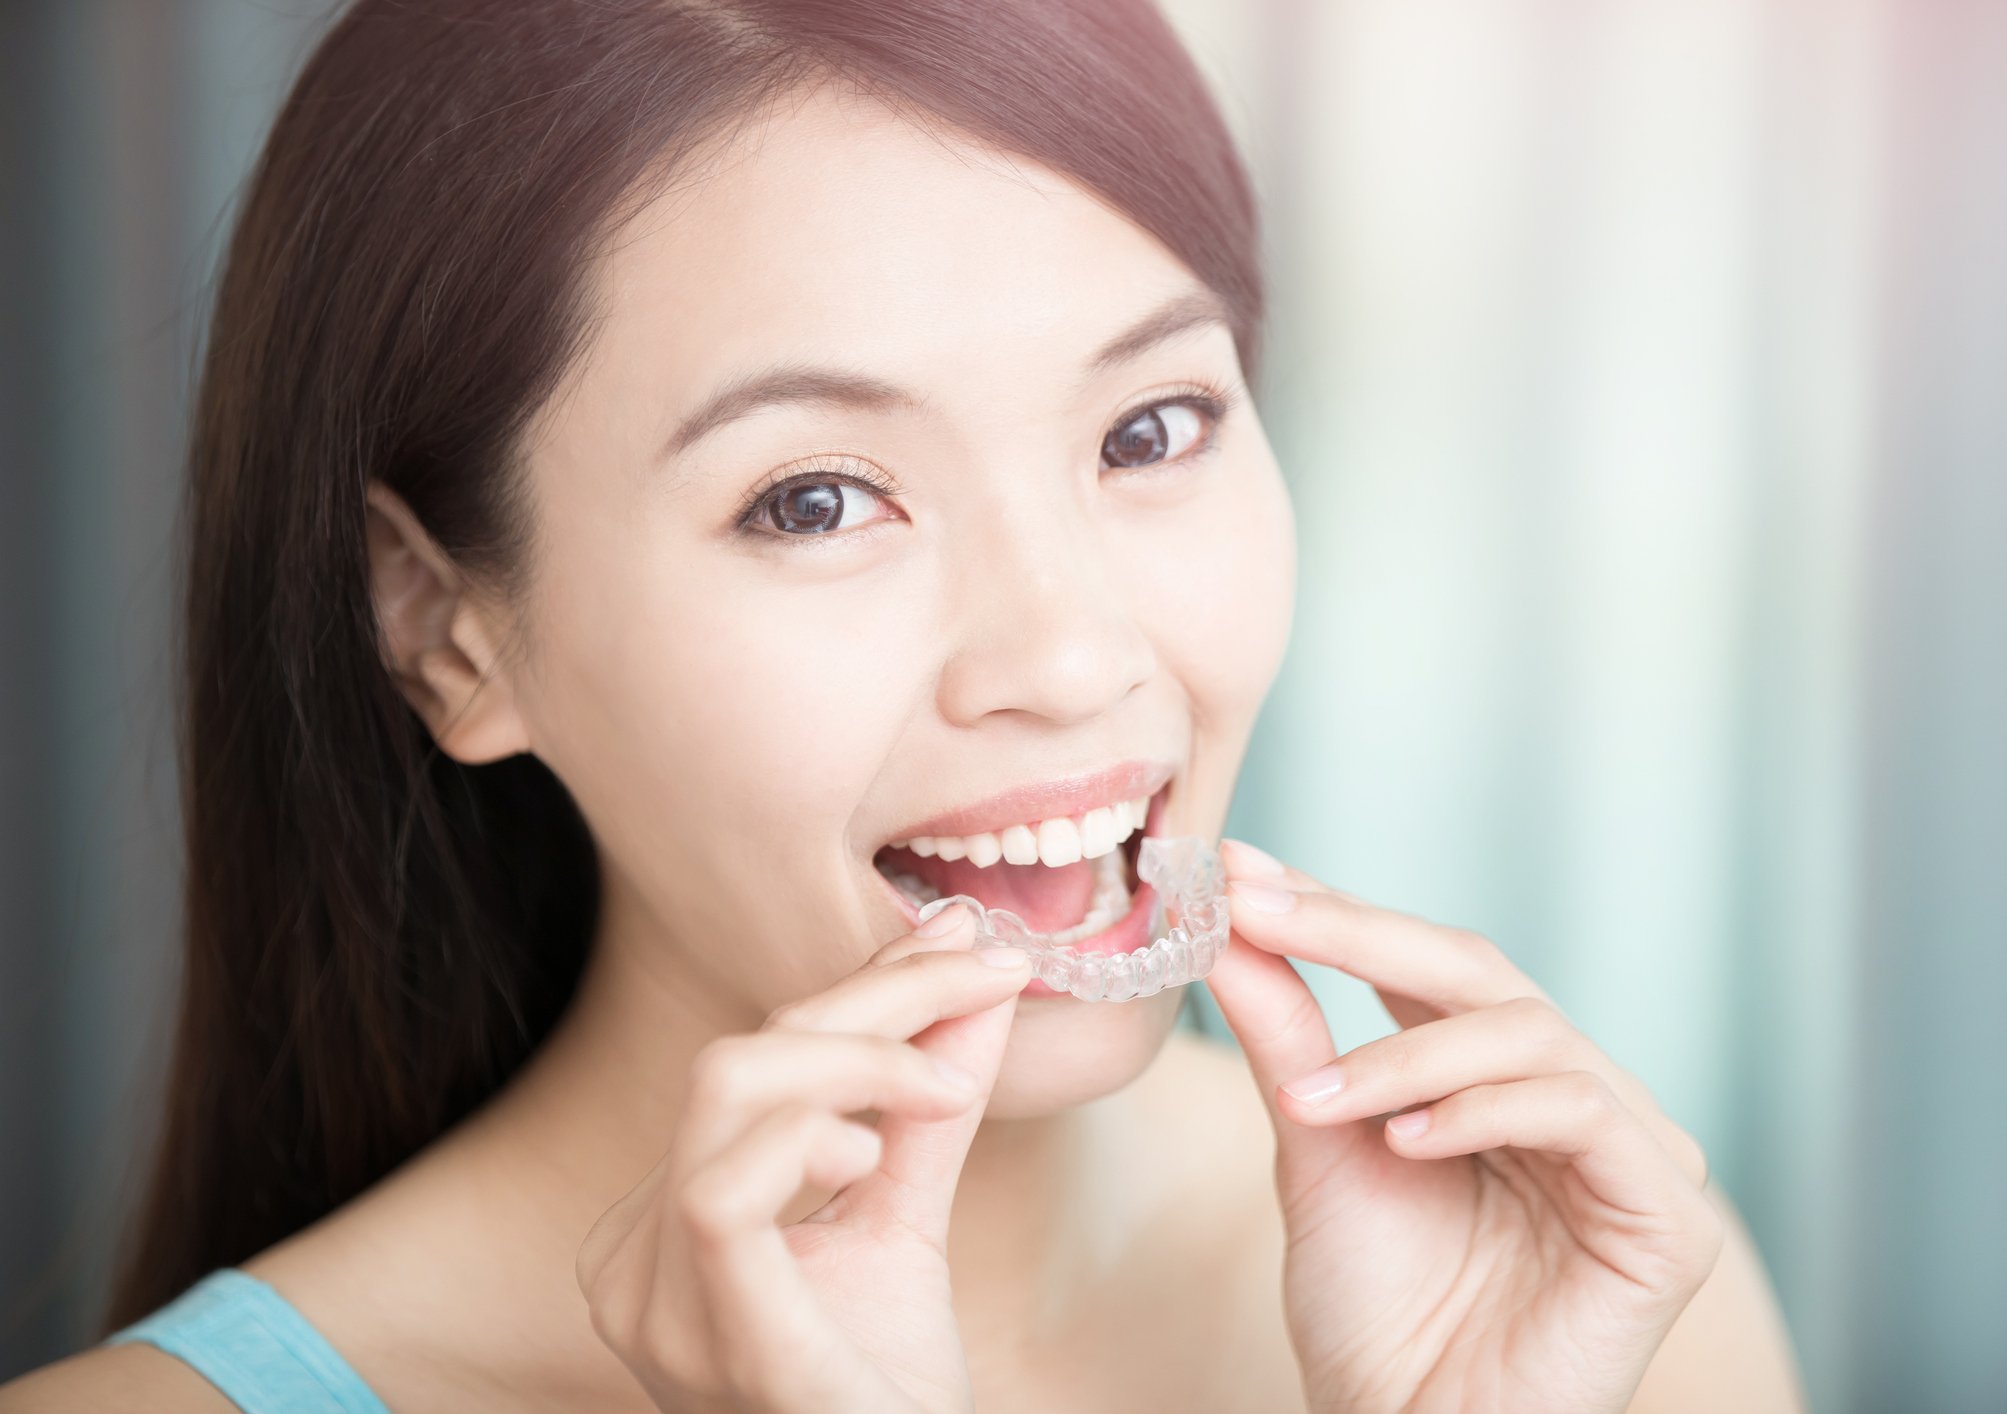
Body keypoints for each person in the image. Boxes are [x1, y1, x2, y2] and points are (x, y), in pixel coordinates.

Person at [0, 0, 1807, 1409]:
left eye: (1149, 427)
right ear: (448, 633)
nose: (1070, 658)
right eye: (813, 501)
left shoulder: (1587, 1292)